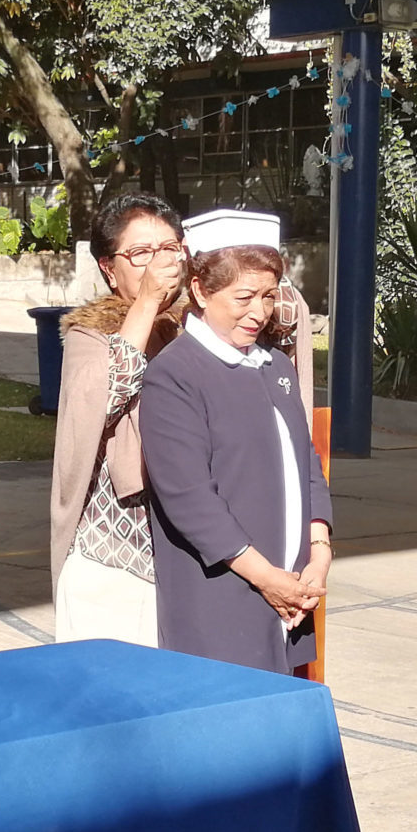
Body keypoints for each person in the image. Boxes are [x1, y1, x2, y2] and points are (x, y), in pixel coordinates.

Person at [137, 210, 332, 677]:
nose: (259, 312)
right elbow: (188, 499)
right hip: (221, 597)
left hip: (290, 592)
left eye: (269, 296)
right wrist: (267, 579)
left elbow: (305, 461)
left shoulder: (275, 367)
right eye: (243, 297)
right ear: (201, 290)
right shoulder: (176, 374)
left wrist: (319, 547)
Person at [49, 194, 190, 645]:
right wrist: (147, 304)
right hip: (115, 559)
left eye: (169, 249)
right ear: (110, 269)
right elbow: (103, 398)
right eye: (141, 253)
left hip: (188, 553)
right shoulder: (90, 335)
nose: (159, 263)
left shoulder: (200, 327)